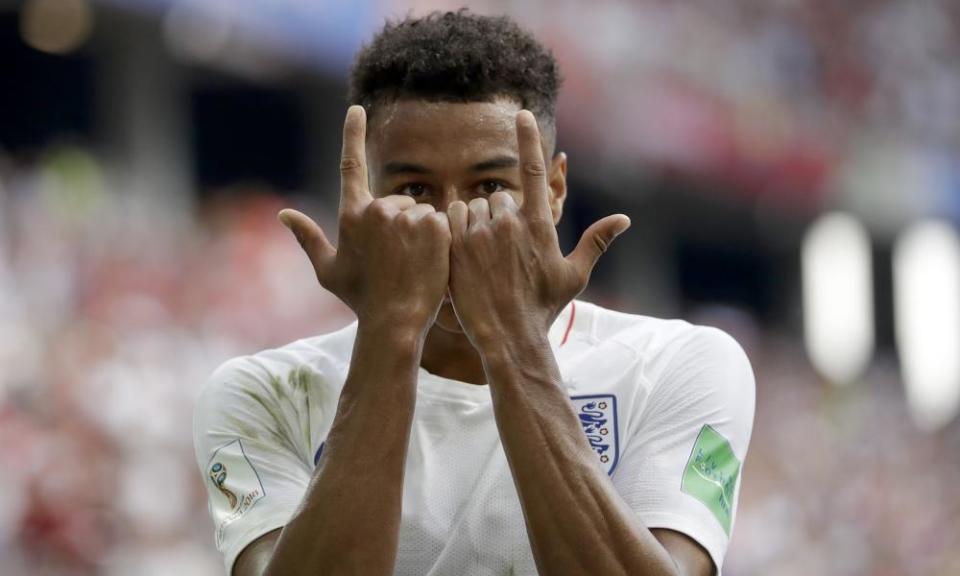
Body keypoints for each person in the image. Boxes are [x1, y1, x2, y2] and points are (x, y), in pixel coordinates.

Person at [193, 10, 755, 576]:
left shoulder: (682, 364)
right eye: (415, 189)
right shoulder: (261, 392)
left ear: (553, 190)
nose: (454, 222)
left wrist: (514, 341)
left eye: (491, 187)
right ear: (362, 197)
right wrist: (390, 336)